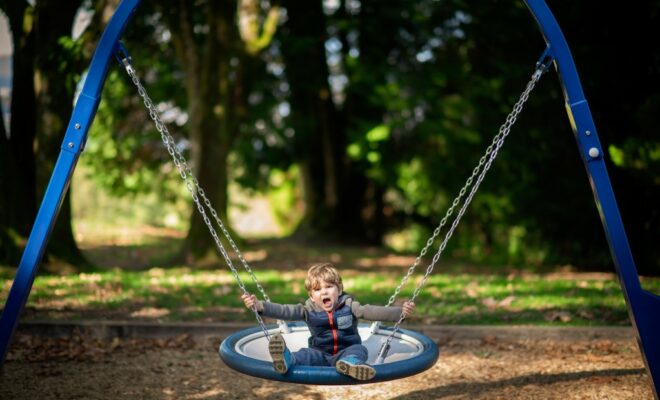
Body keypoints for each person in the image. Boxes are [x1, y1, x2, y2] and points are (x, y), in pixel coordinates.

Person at [241, 262, 415, 381]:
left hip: (346, 351)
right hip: (320, 354)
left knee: (359, 349)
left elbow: (373, 311)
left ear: (339, 290)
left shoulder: (350, 306)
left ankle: (351, 364)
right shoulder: (308, 310)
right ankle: (286, 359)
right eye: (317, 290)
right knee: (304, 354)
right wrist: (260, 305)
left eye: (328, 287)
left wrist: (400, 313)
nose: (323, 292)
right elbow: (285, 310)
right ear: (311, 296)